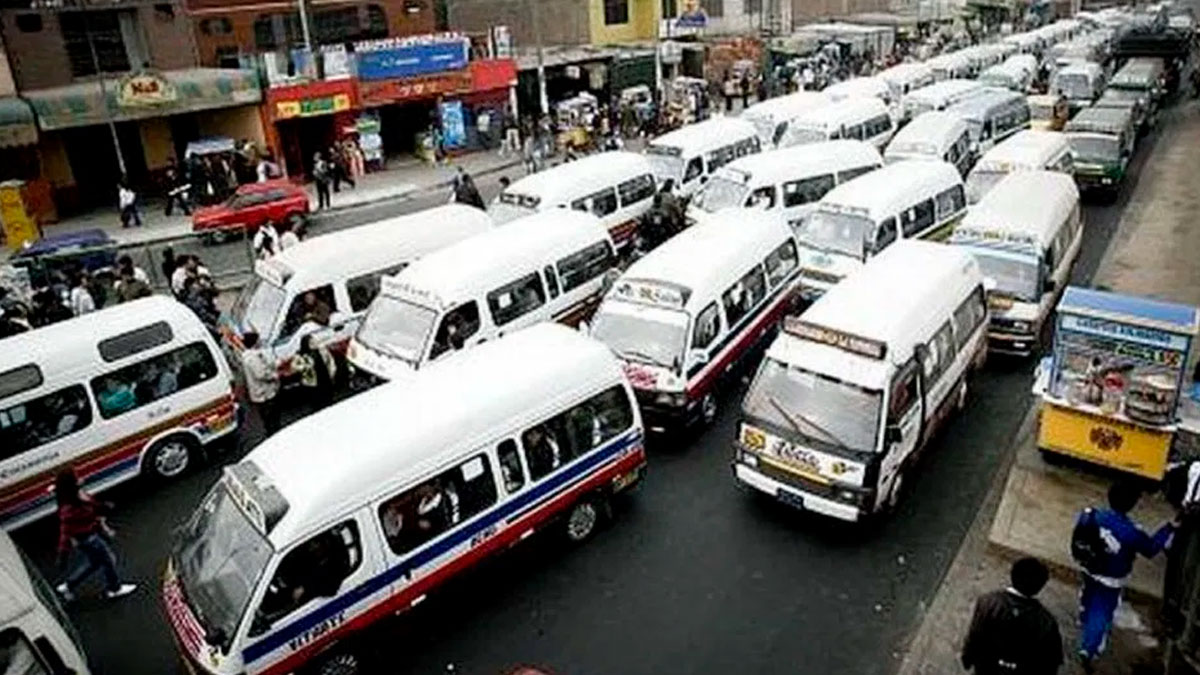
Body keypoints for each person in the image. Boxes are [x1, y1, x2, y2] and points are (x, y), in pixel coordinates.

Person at [1074, 482, 1177, 671]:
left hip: (1089, 567)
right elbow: (1151, 548)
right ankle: (1089, 649)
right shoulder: (1132, 531)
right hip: (1111, 579)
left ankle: (1082, 616)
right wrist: (1169, 528)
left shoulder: (1093, 515)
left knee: (1088, 593)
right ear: (1132, 504)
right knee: (1102, 612)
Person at [961, 557, 1062, 675]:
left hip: (986, 667)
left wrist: (967, 657)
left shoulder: (988, 603)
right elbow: (1051, 661)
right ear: (1040, 587)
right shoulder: (1046, 621)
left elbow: (975, 634)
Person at [53, 470, 136, 602]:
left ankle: (69, 585)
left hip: (89, 537)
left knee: (95, 563)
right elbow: (65, 532)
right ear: (71, 484)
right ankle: (114, 589)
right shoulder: (69, 508)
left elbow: (92, 508)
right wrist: (63, 554)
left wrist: (102, 508)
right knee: (109, 560)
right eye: (76, 478)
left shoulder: (76, 496)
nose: (80, 478)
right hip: (88, 539)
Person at [240, 332, 281, 436]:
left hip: (261, 393)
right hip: (264, 394)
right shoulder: (252, 357)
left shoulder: (250, 355)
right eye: (258, 340)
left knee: (269, 419)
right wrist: (275, 375)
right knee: (271, 420)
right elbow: (261, 374)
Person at [294, 333, 336, 411]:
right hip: (312, 382)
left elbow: (329, 360)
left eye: (314, 342)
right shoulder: (301, 354)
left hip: (325, 377)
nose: (314, 344)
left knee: (329, 398)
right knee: (317, 401)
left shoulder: (321, 350)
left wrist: (332, 371)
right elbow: (295, 366)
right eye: (311, 343)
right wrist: (305, 367)